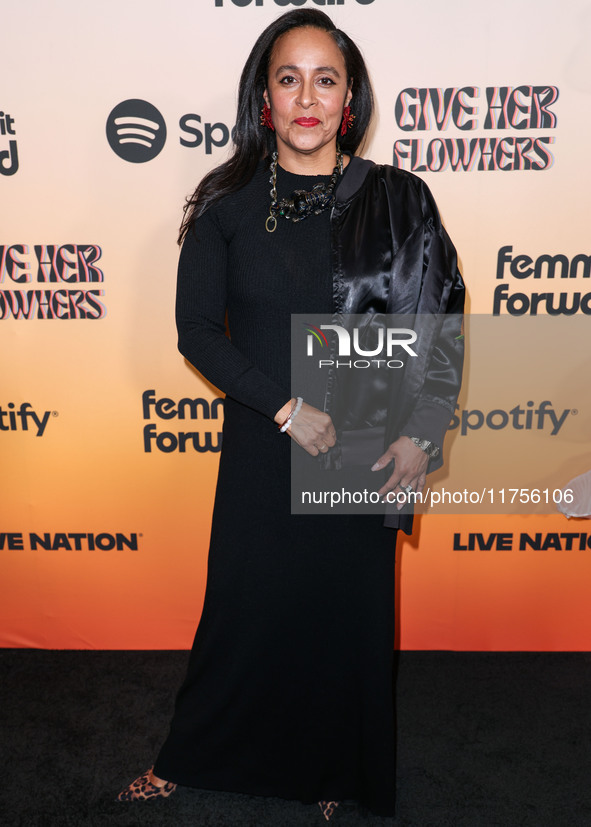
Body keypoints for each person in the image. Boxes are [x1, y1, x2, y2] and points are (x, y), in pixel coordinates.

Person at [117, 8, 464, 821]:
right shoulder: (226, 204)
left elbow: (439, 317)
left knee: (342, 617)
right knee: (242, 609)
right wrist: (282, 407)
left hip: (364, 440)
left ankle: (332, 768)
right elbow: (195, 330)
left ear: (349, 98)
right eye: (287, 77)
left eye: (325, 78)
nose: (305, 97)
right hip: (263, 440)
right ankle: (191, 754)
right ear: (262, 97)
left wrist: (421, 431)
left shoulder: (398, 198)